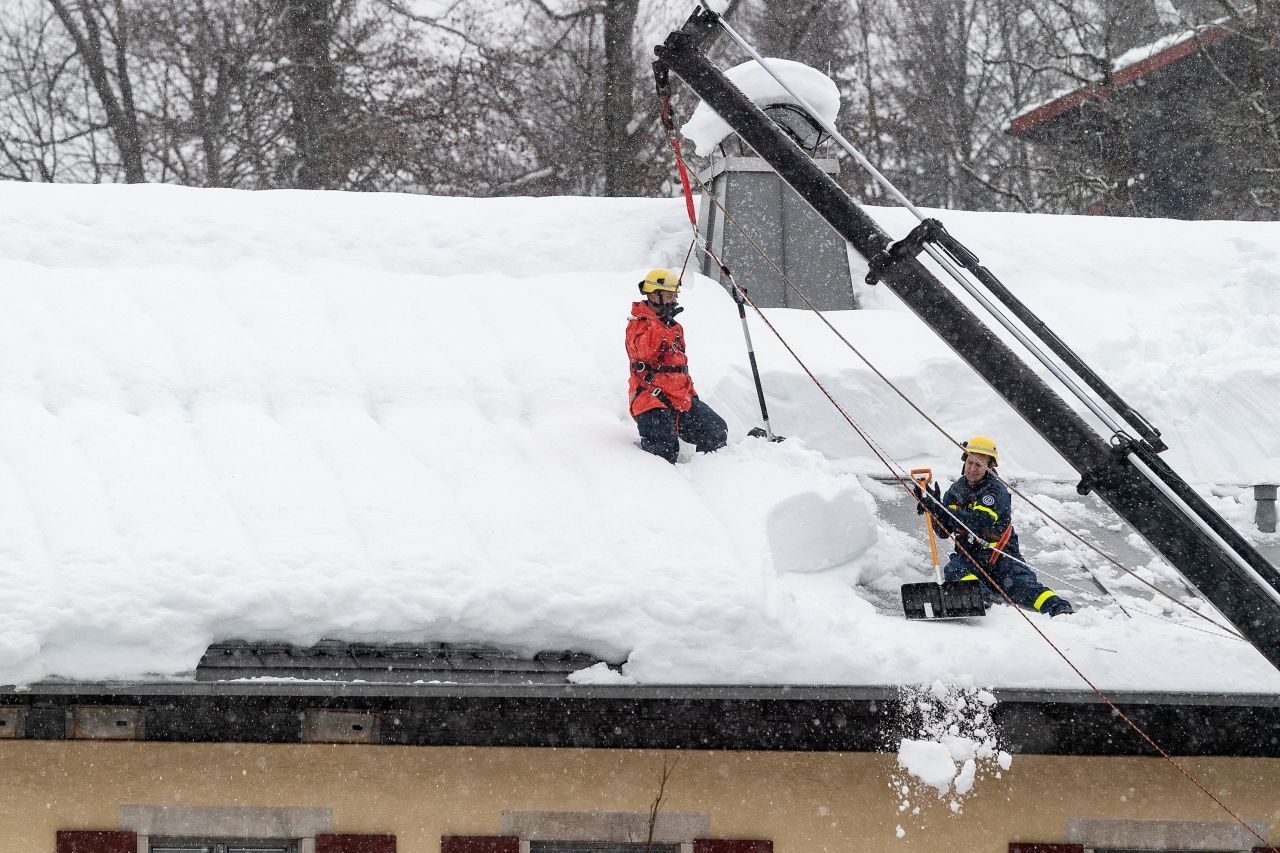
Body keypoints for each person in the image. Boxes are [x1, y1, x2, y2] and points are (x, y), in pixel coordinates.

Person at [917, 435, 1074, 617]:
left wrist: (941, 509)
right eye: (969, 462)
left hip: (1001, 558)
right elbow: (943, 532)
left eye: (978, 465)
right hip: (970, 557)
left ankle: (1058, 607)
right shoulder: (955, 490)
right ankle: (981, 598)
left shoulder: (995, 491)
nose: (972, 469)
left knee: (1023, 585)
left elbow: (977, 521)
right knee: (954, 570)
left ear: (990, 467)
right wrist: (934, 511)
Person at [626, 268, 728, 464]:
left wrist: (693, 396)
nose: (674, 300)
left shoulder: (674, 327)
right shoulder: (638, 324)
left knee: (715, 431)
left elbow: (680, 367)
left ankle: (710, 476)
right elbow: (645, 352)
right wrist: (661, 323)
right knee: (664, 451)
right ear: (654, 295)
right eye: (669, 295)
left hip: (680, 398)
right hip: (651, 400)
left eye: (675, 295)